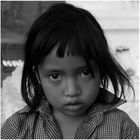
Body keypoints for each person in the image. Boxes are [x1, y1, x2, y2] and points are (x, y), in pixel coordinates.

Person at [1, 3, 139, 139]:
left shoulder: (122, 128)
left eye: (85, 73)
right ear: (37, 75)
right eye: (55, 76)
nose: (72, 91)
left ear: (101, 70)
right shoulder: (16, 129)